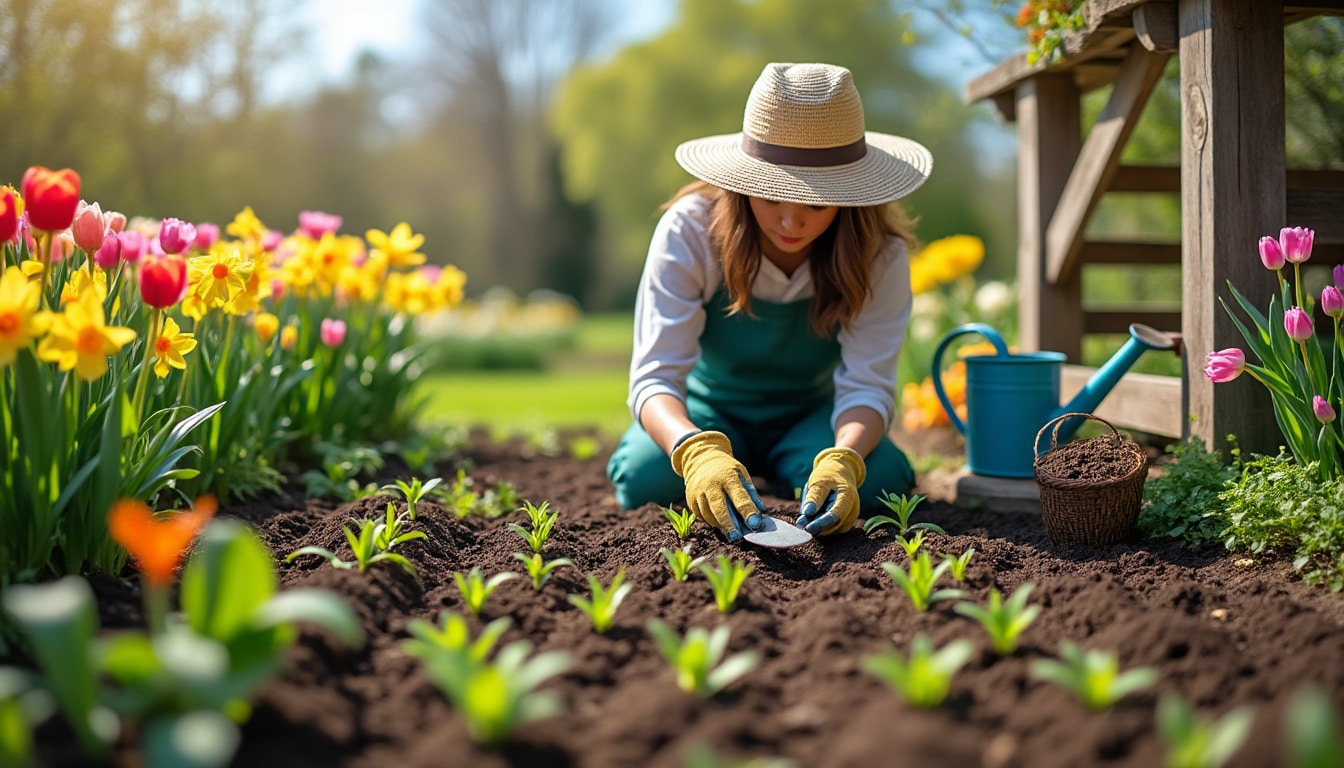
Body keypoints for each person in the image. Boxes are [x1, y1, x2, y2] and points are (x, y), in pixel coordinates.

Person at [606, 62, 933, 543]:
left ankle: (801, 463)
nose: (790, 223)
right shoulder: (690, 231)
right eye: (771, 196)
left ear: (849, 198)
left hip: (813, 418)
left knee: (880, 480)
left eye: (817, 202)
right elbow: (655, 375)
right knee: (644, 477)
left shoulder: (878, 253)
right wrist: (697, 452)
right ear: (744, 182)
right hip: (709, 410)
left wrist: (842, 457)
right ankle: (726, 462)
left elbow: (869, 385)